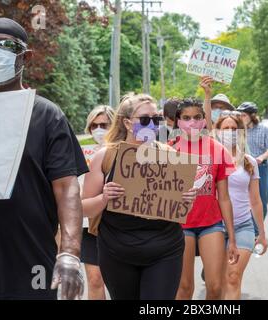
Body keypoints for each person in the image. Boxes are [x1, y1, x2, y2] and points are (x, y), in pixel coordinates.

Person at [0, 18, 88, 300]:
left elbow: (66, 186)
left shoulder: (45, 115)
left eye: (6, 45)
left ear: (26, 56)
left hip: (30, 266)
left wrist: (69, 252)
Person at [81, 94, 197, 300]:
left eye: (156, 119)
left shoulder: (169, 155)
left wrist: (186, 198)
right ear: (127, 122)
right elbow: (82, 207)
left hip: (165, 250)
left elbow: (178, 207)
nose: (152, 124)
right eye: (145, 119)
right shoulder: (105, 156)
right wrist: (104, 198)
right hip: (117, 252)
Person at [171, 98, 239, 300]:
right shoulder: (167, 149)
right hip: (180, 225)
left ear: (203, 120)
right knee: (184, 287)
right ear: (177, 121)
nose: (192, 122)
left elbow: (224, 198)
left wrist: (232, 238)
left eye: (197, 117)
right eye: (186, 118)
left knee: (216, 287)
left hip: (211, 224)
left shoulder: (217, 149)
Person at [214, 114, 267, 299]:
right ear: (217, 132)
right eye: (225, 129)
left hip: (243, 226)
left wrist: (261, 233)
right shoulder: (210, 159)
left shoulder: (249, 162)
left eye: (233, 129)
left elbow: (256, 200)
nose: (230, 132)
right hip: (216, 228)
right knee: (217, 283)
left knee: (233, 276)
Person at [80, 105, 114, 300]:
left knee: (121, 281)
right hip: (88, 223)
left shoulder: (122, 150)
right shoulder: (78, 150)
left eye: (104, 124)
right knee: (95, 279)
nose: (99, 129)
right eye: (94, 125)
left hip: (115, 222)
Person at [237, 102, 268, 223]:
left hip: (260, 167)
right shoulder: (238, 130)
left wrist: (261, 158)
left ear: (252, 115)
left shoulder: (264, 129)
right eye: (240, 115)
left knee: (262, 198)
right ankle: (249, 228)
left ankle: (258, 228)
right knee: (244, 198)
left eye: (243, 115)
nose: (241, 118)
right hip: (243, 167)